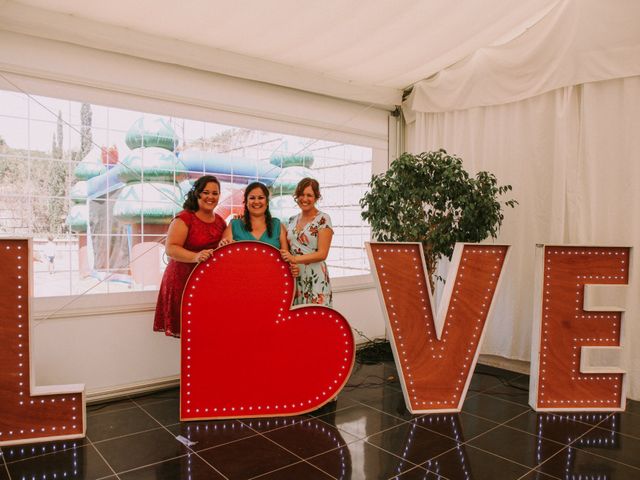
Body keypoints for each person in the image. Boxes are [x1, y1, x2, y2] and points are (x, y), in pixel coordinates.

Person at [153, 175, 226, 337]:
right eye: (206, 192)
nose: (211, 197)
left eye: (215, 193)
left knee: (206, 334)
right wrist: (196, 256)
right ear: (197, 194)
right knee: (188, 337)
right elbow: (171, 248)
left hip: (207, 285)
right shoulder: (185, 218)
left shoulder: (221, 221)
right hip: (182, 281)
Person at [281, 178, 334, 307]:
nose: (305, 199)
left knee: (316, 320)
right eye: (302, 194)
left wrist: (294, 258)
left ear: (316, 197)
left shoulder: (323, 219)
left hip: (315, 277)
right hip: (295, 277)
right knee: (298, 322)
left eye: (309, 195)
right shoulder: (292, 220)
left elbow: (322, 254)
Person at [221, 181, 288, 249]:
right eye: (252, 198)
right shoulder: (234, 225)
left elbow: (286, 257)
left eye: (261, 198)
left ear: (267, 201)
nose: (256, 202)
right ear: (246, 202)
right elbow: (224, 254)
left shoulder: (277, 225)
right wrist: (223, 244)